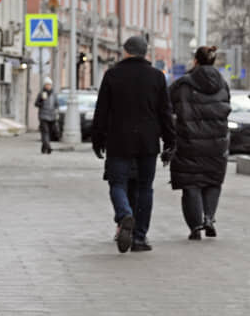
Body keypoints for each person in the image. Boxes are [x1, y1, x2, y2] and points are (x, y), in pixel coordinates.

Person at [91, 36, 175, 253]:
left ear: (126, 51)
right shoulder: (157, 77)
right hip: (148, 141)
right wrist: (170, 141)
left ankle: (124, 214)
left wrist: (97, 139)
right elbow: (165, 113)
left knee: (117, 183)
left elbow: (102, 111)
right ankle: (139, 238)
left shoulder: (112, 75)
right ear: (145, 52)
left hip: (118, 140)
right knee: (145, 188)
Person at [167, 45, 231, 240]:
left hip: (189, 142)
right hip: (216, 144)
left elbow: (166, 107)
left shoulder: (182, 84)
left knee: (191, 184)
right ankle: (209, 218)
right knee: (213, 181)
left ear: (195, 61)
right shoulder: (223, 84)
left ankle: (195, 227)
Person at [35, 77, 58, 154]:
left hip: (52, 116)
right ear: (44, 85)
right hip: (43, 116)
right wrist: (41, 101)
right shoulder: (41, 93)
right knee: (45, 132)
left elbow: (56, 104)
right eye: (47, 84)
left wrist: (56, 112)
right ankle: (48, 147)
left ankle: (44, 147)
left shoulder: (54, 94)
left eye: (49, 85)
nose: (48, 86)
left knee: (49, 133)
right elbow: (36, 103)